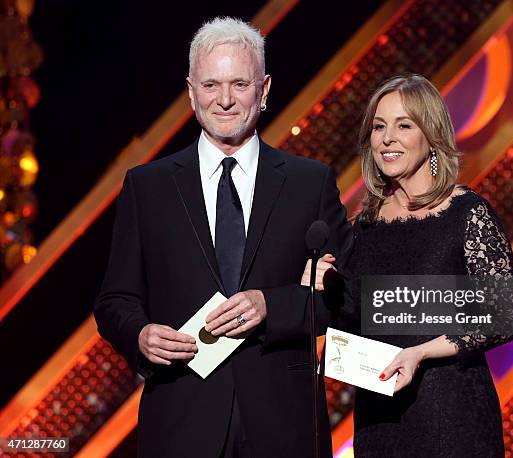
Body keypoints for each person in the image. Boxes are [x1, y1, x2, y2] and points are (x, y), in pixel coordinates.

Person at [94, 17, 351, 458]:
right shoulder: (147, 186)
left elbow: (344, 298)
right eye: (211, 85)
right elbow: (114, 300)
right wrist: (139, 335)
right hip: (180, 418)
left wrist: (271, 304)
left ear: (265, 89)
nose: (226, 100)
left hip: (284, 424)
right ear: (192, 92)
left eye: (240, 83)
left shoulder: (311, 183)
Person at [304, 74, 513, 457]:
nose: (388, 138)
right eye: (378, 127)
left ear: (431, 135)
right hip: (380, 421)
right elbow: (357, 319)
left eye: (404, 125)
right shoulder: (362, 227)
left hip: (453, 418)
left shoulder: (466, 212)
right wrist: (327, 285)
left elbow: (502, 313)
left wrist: (421, 352)